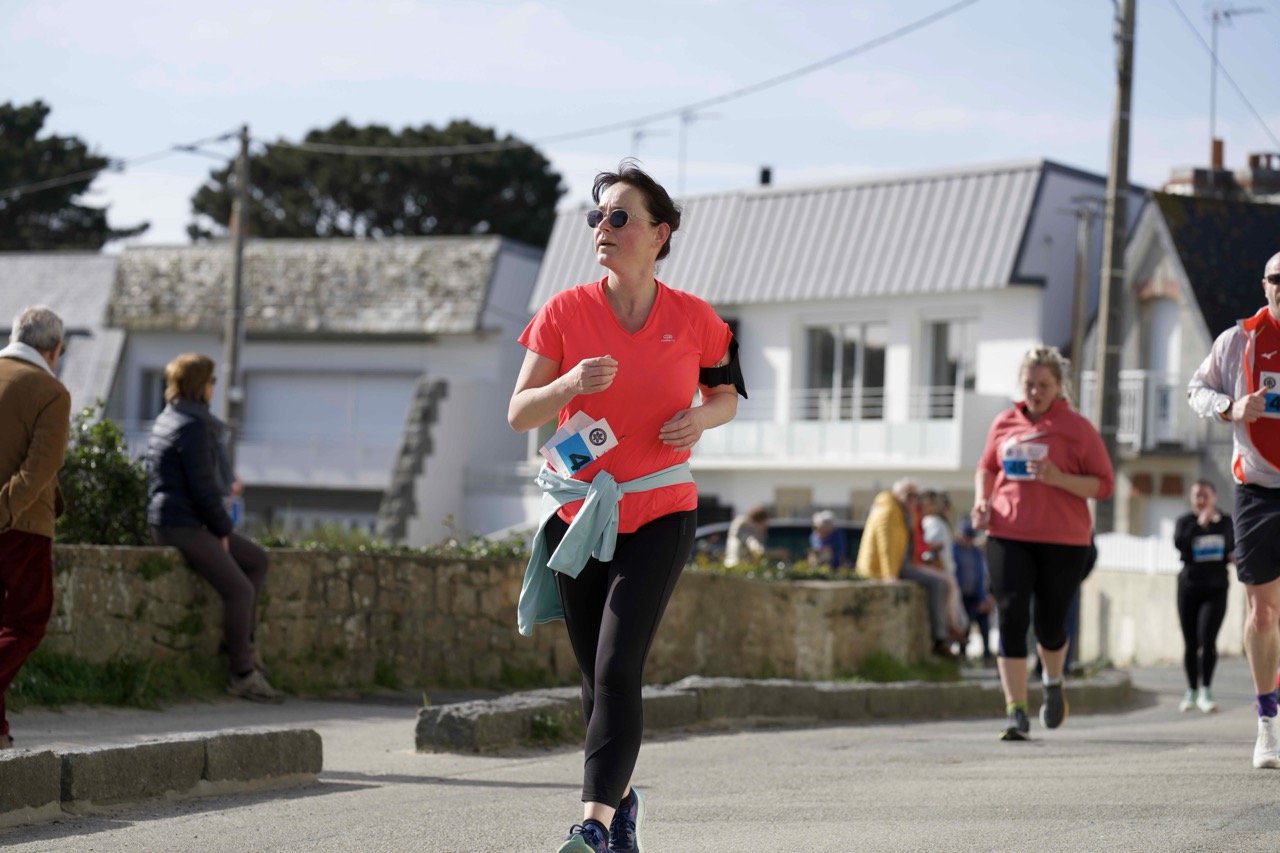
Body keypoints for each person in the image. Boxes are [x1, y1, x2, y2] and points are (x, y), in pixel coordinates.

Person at [508, 160, 745, 853]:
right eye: (597, 217)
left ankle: (593, 824)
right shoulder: (563, 312)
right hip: (580, 516)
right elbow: (520, 412)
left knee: (616, 667)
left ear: (659, 233)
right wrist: (569, 385)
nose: (602, 228)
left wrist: (702, 418)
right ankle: (623, 802)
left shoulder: (696, 319)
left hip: (661, 509)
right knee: (595, 677)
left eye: (619, 217)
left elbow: (726, 396)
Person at [972, 345, 1113, 741]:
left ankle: (1052, 682)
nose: (1035, 392)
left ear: (1059, 385)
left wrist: (1058, 479)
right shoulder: (1003, 422)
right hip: (1007, 532)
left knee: (1050, 626)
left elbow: (1104, 485)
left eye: (1043, 385)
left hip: (1063, 540)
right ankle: (1015, 711)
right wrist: (982, 501)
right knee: (1011, 615)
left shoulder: (1077, 428)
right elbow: (986, 467)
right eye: (1029, 384)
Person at [1187, 250, 1280, 768]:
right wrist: (1230, 406)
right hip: (1258, 490)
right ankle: (1267, 723)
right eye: (1278, 278)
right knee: (1262, 612)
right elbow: (1196, 390)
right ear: (1264, 285)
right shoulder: (1238, 341)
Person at [146, 353, 283, 704]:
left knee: (257, 560)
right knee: (240, 591)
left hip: (174, 518)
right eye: (211, 381)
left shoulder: (169, 417)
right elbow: (203, 490)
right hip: (182, 523)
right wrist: (221, 531)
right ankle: (241, 673)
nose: (213, 388)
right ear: (200, 385)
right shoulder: (192, 427)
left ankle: (240, 643)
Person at [0, 306, 71, 750]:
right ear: (55, 349)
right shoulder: (51, 391)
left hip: (13, 517)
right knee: (27, 623)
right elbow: (41, 466)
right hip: (22, 524)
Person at [855, 479, 958, 659]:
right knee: (939, 584)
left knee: (944, 582)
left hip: (903, 564)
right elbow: (885, 544)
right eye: (909, 495)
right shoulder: (888, 511)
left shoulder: (904, 512)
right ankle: (940, 639)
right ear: (898, 494)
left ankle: (948, 632)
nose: (914, 499)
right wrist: (889, 574)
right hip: (889, 568)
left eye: (916, 496)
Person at [1172, 479, 1233, 714]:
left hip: (1215, 589)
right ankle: (1191, 690)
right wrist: (1200, 525)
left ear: (1214, 497)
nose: (1200, 500)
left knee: (1207, 639)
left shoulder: (1226, 522)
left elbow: (1233, 547)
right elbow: (1180, 544)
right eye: (1196, 495)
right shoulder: (1185, 522)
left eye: (1204, 495)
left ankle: (1206, 690)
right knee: (1190, 643)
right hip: (1189, 588)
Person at [920, 490, 967, 643]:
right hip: (940, 570)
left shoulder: (938, 523)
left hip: (946, 569)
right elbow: (930, 549)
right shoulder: (934, 523)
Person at [953, 517, 994, 665]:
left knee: (984, 625)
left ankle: (987, 656)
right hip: (960, 595)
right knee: (965, 626)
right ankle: (963, 655)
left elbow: (981, 576)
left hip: (976, 595)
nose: (968, 541)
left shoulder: (977, 553)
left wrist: (984, 598)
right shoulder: (953, 550)